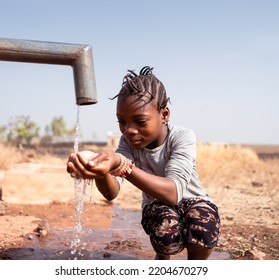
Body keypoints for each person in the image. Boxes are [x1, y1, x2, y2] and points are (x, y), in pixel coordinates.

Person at [66, 66, 220, 260]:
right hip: (156, 205)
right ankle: (162, 260)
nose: (129, 130)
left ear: (164, 115)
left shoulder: (181, 136)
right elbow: (111, 192)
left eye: (140, 121)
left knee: (203, 229)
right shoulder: (128, 144)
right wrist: (100, 171)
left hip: (193, 201)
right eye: (122, 122)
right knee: (166, 229)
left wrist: (123, 166)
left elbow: (173, 193)